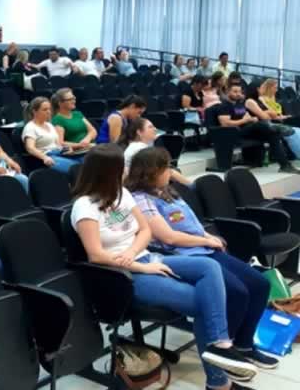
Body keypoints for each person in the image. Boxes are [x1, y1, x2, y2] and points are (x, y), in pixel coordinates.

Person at [71, 144, 259, 390]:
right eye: (121, 167)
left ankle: (221, 345)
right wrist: (140, 266)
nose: (126, 171)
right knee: (203, 303)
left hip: (144, 257)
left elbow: (145, 230)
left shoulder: (121, 193)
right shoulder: (84, 206)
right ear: (107, 171)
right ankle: (218, 382)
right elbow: (96, 255)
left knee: (208, 266)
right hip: (122, 276)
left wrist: (133, 253)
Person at [128, 147, 278, 377]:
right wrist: (205, 240)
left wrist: (209, 237)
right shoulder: (140, 199)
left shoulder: (167, 191)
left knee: (260, 284)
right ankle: (224, 351)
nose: (170, 171)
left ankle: (244, 345)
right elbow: (168, 237)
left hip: (203, 248)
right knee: (237, 293)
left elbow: (194, 224)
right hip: (182, 256)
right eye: (166, 167)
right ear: (151, 171)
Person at [219, 83, 300, 174]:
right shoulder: (224, 106)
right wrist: (244, 120)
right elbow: (225, 123)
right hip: (235, 132)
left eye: (239, 92)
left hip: (248, 129)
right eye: (235, 91)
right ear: (227, 92)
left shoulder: (239, 105)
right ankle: (273, 126)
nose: (238, 94)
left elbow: (247, 117)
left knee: (273, 135)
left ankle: (285, 166)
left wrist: (252, 119)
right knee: (261, 124)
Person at [119, 118, 191, 185]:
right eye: (150, 127)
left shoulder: (136, 146)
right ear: (139, 132)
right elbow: (168, 172)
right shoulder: (139, 149)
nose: (155, 129)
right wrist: (191, 186)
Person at [22, 97, 82, 174]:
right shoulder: (30, 127)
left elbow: (58, 144)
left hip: (59, 152)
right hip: (47, 156)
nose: (48, 112)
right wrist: (44, 157)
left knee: (84, 162)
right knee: (75, 169)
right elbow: (30, 148)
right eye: (45, 109)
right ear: (34, 111)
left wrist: (66, 148)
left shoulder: (49, 125)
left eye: (49, 109)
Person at [244, 79, 300, 160]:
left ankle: (292, 156)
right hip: (261, 126)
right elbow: (265, 117)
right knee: (291, 129)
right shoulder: (250, 101)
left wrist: (270, 113)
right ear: (257, 89)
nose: (264, 89)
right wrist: (269, 112)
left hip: (271, 122)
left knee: (296, 126)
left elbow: (273, 113)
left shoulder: (259, 100)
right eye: (263, 87)